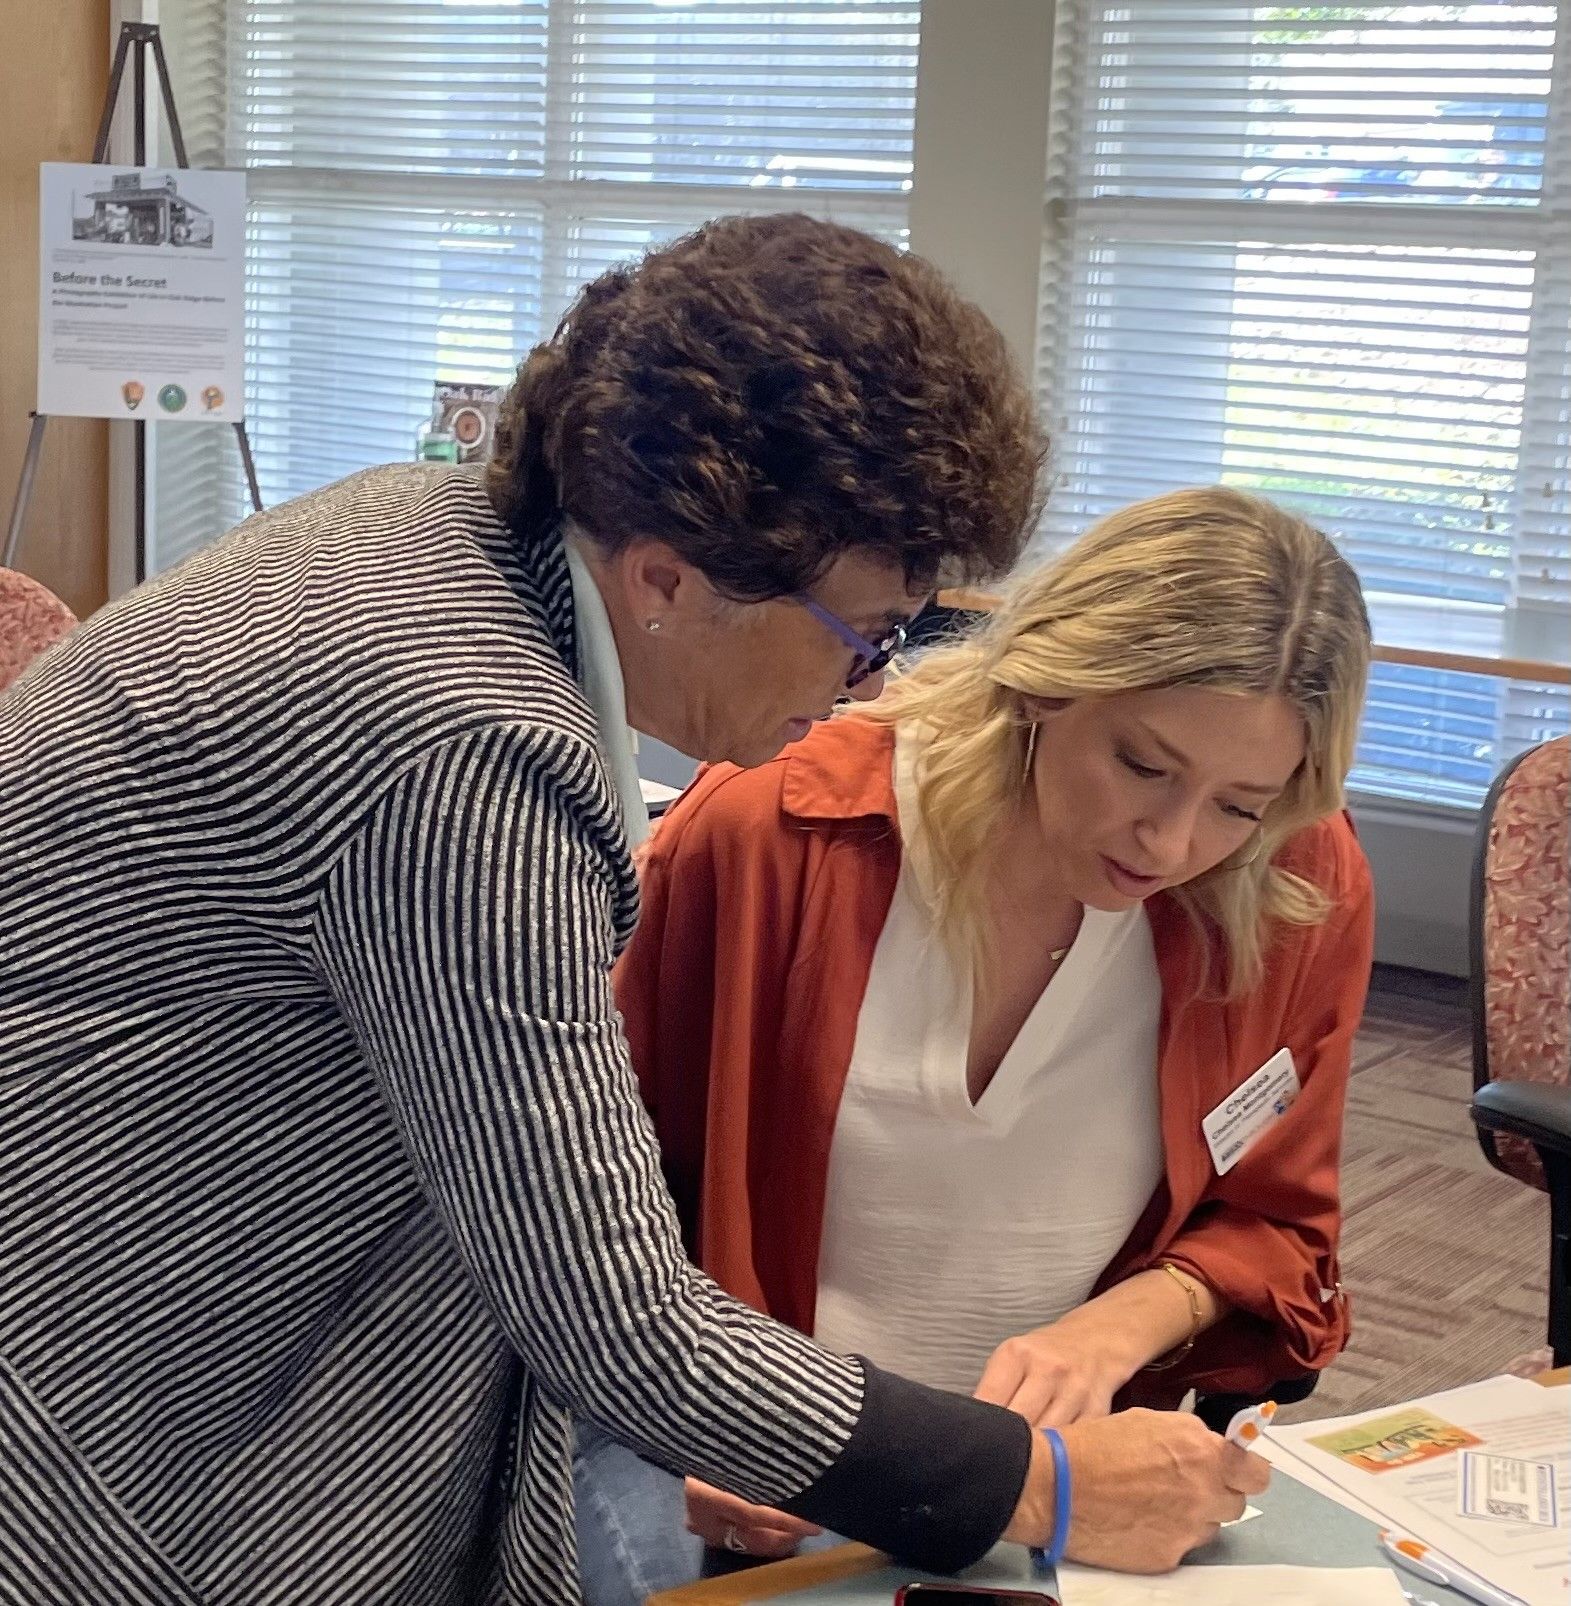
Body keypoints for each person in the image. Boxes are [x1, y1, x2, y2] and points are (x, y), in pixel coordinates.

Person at [0, 216, 1265, 1606]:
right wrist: (1050, 1484)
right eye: (866, 634)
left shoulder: (435, 532)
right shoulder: (461, 744)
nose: (868, 687)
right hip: (123, 1391)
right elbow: (611, 1312)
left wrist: (678, 1412)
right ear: (666, 577)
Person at [591, 485, 1374, 1603]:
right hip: (791, 1501)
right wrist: (667, 1435)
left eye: (1235, 803)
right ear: (1045, 685)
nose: (1171, 839)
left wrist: (1119, 1326)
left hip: (1084, 1516)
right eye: (1142, 764)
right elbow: (585, 1227)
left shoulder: (1292, 877)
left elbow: (1278, 1223)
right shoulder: (770, 833)